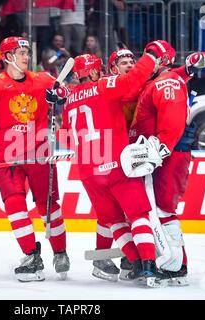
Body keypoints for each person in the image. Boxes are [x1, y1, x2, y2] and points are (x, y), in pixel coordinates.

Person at [58, 42, 171, 287]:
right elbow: (132, 81)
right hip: (117, 165)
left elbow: (65, 137)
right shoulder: (104, 86)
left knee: (115, 221)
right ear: (96, 71)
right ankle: (149, 265)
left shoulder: (67, 102)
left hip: (88, 172)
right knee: (138, 214)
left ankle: (137, 264)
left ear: (77, 74)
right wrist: (150, 56)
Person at [0, 36, 70, 282]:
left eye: (27, 51)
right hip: (8, 156)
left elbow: (66, 91)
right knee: (14, 205)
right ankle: (31, 255)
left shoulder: (43, 79)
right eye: (20, 52)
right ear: (7, 57)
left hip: (39, 152)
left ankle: (60, 252)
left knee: (49, 205)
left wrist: (61, 94)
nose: (26, 56)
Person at [127, 48, 205, 286]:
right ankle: (175, 263)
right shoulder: (165, 79)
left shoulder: (167, 83)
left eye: (152, 56)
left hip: (168, 155)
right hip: (161, 154)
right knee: (159, 209)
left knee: (164, 210)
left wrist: (160, 151)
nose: (146, 60)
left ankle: (175, 267)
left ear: (162, 60)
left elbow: (172, 125)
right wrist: (187, 67)